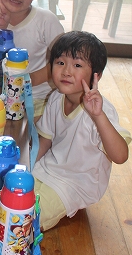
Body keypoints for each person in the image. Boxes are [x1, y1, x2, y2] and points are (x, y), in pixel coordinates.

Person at [33, 31, 130, 231]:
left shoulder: (100, 111)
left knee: (27, 219)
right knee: (9, 194)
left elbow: (120, 156)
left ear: (96, 75)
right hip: (48, 167)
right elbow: (45, 141)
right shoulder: (55, 98)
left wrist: (98, 116)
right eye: (60, 63)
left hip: (76, 183)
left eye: (77, 65)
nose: (66, 71)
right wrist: (26, 166)